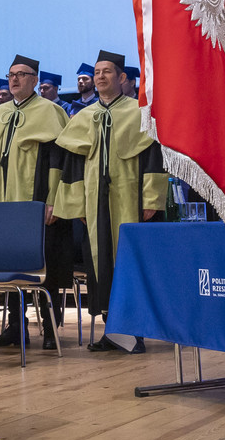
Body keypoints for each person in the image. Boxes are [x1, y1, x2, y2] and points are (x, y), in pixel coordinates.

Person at [54, 51, 170, 354]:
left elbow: (153, 159)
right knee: (100, 262)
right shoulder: (84, 116)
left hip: (130, 199)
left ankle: (134, 331)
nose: (100, 76)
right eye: (97, 72)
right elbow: (74, 166)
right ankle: (112, 328)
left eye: (107, 71)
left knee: (129, 261)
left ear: (122, 77)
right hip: (94, 203)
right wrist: (77, 205)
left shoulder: (139, 113)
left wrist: (151, 198)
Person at [0, 54, 68, 350]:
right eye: (11, 74)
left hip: (36, 202)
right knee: (8, 261)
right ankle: (16, 327)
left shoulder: (50, 112)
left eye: (21, 74)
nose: (14, 79)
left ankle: (51, 328)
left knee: (44, 264)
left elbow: (58, 161)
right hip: (2, 201)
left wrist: (53, 200)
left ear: (35, 80)